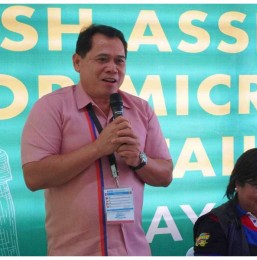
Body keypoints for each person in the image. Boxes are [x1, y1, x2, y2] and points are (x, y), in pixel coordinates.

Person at [20, 24, 173, 256]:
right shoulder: (51, 107)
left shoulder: (141, 109)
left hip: (133, 251)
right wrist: (97, 149)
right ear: (77, 62)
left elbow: (165, 175)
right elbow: (33, 176)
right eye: (102, 59)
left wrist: (139, 159)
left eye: (119, 61)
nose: (112, 68)